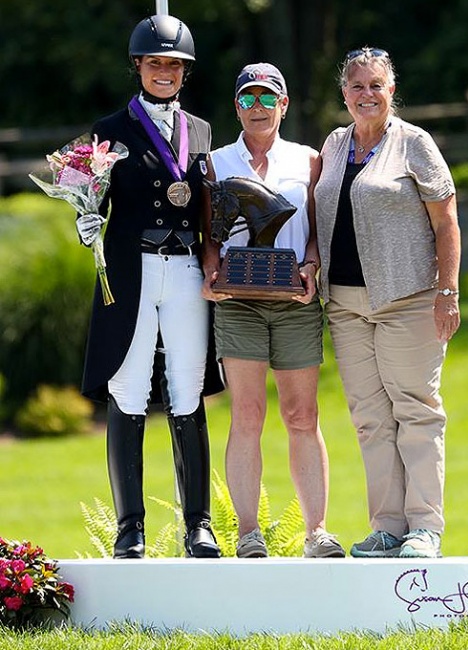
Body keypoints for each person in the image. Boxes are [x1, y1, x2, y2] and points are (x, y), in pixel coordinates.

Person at [77, 14, 223, 559]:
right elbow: (92, 197)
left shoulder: (202, 130)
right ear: (138, 66)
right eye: (155, 62)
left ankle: (199, 525)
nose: (165, 72)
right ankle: (129, 527)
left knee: (187, 386)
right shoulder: (109, 129)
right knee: (130, 384)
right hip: (132, 267)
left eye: (174, 65)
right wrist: (84, 222)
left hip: (185, 268)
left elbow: (210, 202)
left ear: (185, 72)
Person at [314, 47, 461, 558]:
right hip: (346, 304)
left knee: (416, 410)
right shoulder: (334, 145)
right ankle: (387, 526)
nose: (366, 95)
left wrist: (448, 290)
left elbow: (446, 221)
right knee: (370, 418)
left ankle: (424, 527)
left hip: (408, 298)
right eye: (357, 86)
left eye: (376, 85)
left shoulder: (414, 143)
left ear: (391, 90)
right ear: (344, 94)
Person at [202, 62, 345, 559]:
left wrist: (311, 265)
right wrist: (210, 273)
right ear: (235, 106)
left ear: (283, 105)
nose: (257, 107)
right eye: (247, 99)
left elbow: (317, 230)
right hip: (238, 303)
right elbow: (209, 234)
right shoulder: (217, 163)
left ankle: (317, 531)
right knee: (247, 414)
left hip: (294, 303)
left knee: (302, 414)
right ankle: (248, 534)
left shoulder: (308, 161)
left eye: (267, 98)